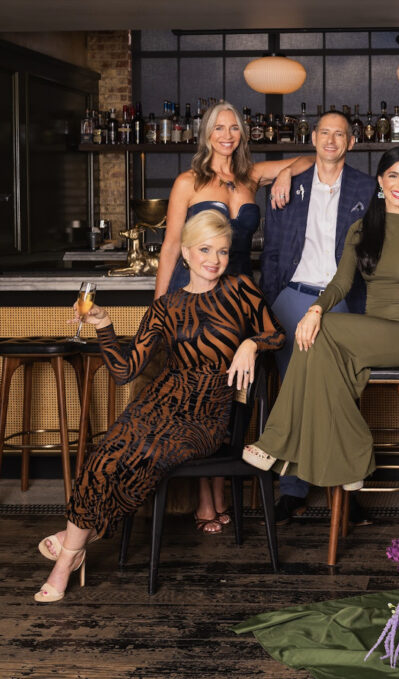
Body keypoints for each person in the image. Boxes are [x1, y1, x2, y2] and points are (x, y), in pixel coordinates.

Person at [34, 210, 285, 603]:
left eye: (222, 251)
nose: (214, 260)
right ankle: (74, 551)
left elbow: (277, 334)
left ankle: (72, 548)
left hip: (206, 416)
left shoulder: (241, 290)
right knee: (106, 454)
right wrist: (103, 324)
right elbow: (125, 372)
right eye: (205, 250)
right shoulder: (166, 307)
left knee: (148, 453)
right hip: (160, 402)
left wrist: (250, 344)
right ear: (185, 252)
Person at [242, 147, 399, 492]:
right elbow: (341, 283)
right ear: (380, 181)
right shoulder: (361, 229)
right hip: (371, 333)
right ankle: (352, 459)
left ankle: (275, 442)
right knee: (318, 348)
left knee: (322, 331)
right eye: (393, 176)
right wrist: (316, 309)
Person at [154, 100, 305, 533]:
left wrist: (287, 173)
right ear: (206, 134)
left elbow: (312, 158)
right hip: (195, 299)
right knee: (201, 397)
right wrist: (160, 309)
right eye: (218, 128)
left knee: (233, 397)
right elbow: (171, 246)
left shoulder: (251, 176)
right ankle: (207, 499)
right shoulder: (188, 181)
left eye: (234, 127)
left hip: (238, 301)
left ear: (243, 133)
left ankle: (222, 492)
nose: (226, 135)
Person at [257, 110, 376, 525]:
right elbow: (273, 251)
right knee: (292, 392)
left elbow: (375, 255)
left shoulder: (367, 188)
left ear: (351, 142)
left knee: (340, 393)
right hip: (292, 299)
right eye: (324, 132)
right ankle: (292, 491)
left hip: (340, 301)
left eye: (339, 134)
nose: (331, 140)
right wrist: (273, 300)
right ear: (313, 138)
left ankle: (345, 491)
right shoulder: (289, 186)